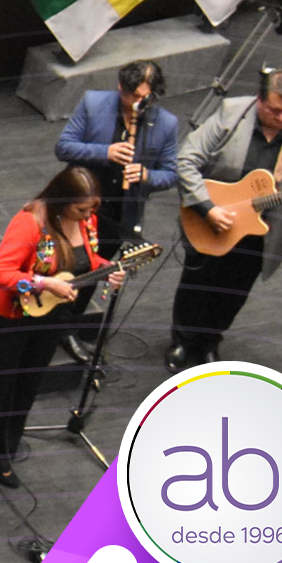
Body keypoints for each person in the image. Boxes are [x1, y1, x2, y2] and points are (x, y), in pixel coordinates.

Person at [167, 68, 282, 371]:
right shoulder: (231, 114)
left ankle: (209, 341)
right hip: (213, 217)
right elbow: (186, 158)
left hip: (262, 233)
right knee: (197, 284)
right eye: (275, 110)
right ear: (259, 101)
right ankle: (183, 340)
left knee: (234, 292)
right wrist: (207, 207)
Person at [0, 166, 123, 498]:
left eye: (92, 209)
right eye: (81, 209)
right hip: (12, 317)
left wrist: (105, 270)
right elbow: (0, 272)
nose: (88, 216)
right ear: (63, 201)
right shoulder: (30, 222)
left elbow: (84, 260)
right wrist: (42, 281)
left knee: (26, 387)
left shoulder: (86, 221)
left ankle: (3, 452)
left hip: (51, 317)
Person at [52, 59, 181, 361]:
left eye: (144, 98)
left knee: (94, 270)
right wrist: (105, 152)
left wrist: (147, 176)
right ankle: (44, 318)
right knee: (63, 262)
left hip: (118, 213)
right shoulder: (94, 103)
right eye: (131, 96)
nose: (137, 104)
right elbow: (64, 147)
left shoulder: (165, 124)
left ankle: (67, 328)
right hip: (78, 205)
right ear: (120, 87)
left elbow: (172, 173)